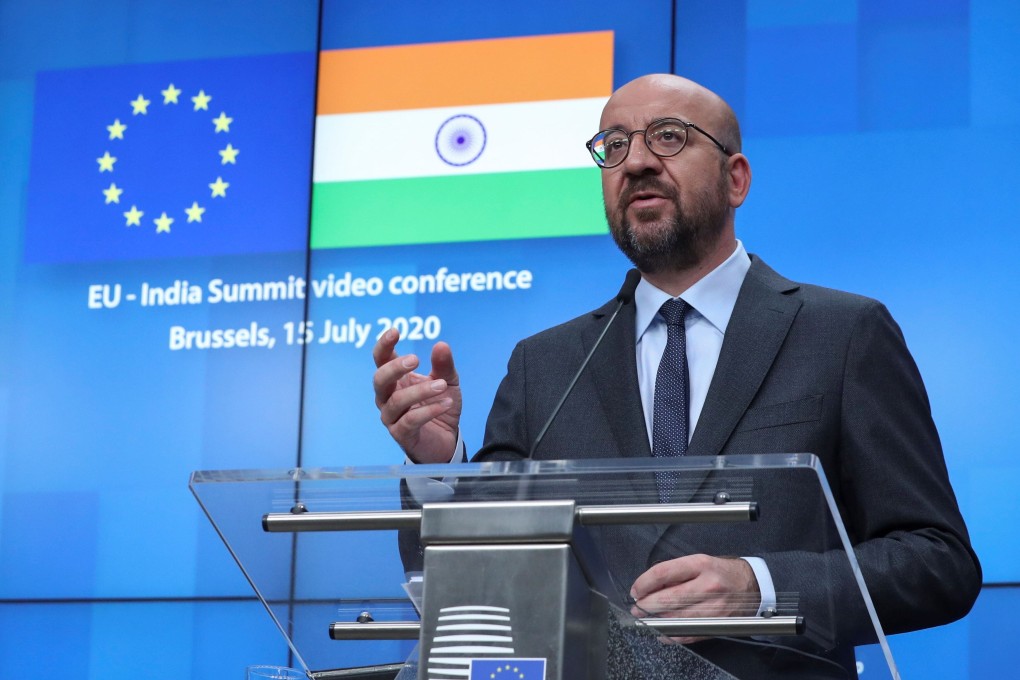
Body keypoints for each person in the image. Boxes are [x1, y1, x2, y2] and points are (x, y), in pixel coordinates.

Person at [372, 74, 981, 677]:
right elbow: (480, 579)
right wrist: (440, 465)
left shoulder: (843, 333)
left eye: (668, 136)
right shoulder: (545, 363)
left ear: (735, 178)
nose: (635, 161)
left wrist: (760, 586)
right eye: (613, 145)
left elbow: (938, 562)